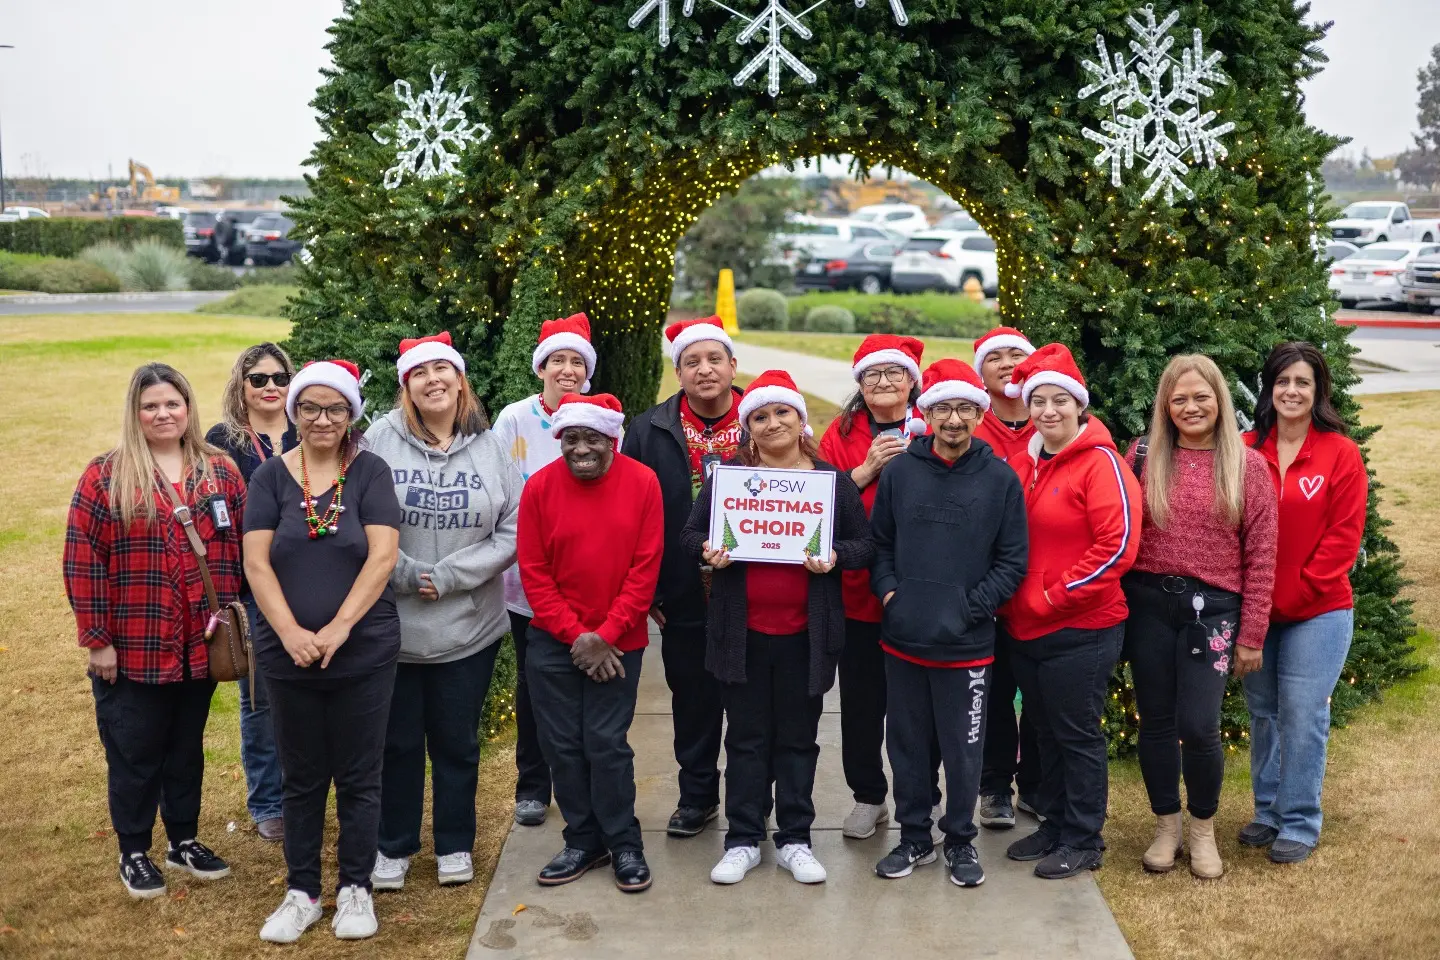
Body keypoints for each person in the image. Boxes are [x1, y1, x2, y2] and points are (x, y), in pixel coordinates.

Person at [682, 370, 876, 886]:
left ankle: (795, 838)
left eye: (781, 413)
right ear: (748, 428)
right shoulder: (730, 478)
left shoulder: (829, 482)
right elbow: (690, 535)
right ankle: (744, 839)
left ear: (800, 419)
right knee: (745, 739)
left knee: (797, 739)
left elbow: (866, 546)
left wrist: (834, 556)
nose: (772, 424)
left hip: (804, 638)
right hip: (740, 635)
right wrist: (708, 552)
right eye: (760, 417)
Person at [65, 363, 245, 899]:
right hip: (136, 646)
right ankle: (134, 849)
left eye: (172, 404)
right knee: (135, 751)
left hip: (202, 644)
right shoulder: (107, 475)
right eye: (150, 406)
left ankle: (183, 839)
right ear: (135, 413)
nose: (163, 414)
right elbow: (83, 560)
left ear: (188, 408)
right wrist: (98, 639)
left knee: (186, 748)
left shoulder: (220, 472)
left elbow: (239, 552)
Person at [244, 359, 402, 943]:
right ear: (294, 412)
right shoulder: (270, 479)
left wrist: (337, 628)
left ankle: (356, 889)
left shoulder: (371, 473)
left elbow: (382, 557)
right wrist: (288, 633)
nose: (322, 419)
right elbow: (256, 562)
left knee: (361, 774)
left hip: (362, 651)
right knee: (302, 776)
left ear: (351, 414)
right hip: (288, 655)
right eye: (309, 407)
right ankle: (303, 891)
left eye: (335, 408)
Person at [364, 332, 521, 891]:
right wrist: (405, 571)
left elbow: (513, 526)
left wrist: (451, 576)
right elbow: (358, 512)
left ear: (460, 381)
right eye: (420, 372)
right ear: (406, 384)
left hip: (468, 627)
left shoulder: (491, 444)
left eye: (443, 370)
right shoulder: (378, 439)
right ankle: (394, 845)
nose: (433, 380)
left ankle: (455, 844)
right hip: (393, 625)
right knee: (397, 742)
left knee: (457, 741)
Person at [869, 359, 1028, 887]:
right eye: (942, 408)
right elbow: (881, 544)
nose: (953, 419)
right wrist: (891, 594)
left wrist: (969, 609)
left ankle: (960, 840)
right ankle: (915, 837)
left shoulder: (1000, 480)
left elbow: (1012, 562)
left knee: (964, 753)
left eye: (964, 408)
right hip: (904, 639)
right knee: (908, 747)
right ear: (927, 414)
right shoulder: (900, 473)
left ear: (980, 414)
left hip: (967, 645)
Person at [1123, 355, 1276, 878]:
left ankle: (1203, 829)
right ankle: (1167, 826)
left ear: (1219, 400)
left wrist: (1252, 635)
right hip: (1147, 606)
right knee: (1157, 722)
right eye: (1180, 397)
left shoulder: (1247, 466)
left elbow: (1261, 555)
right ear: (1166, 404)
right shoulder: (1142, 458)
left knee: (1200, 725)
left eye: (1201, 396)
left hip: (1212, 613)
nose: (1191, 407)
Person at [999, 344, 1141, 880]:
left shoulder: (1101, 463)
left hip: (1082, 626)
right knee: (1042, 731)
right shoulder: (1021, 463)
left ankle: (1084, 839)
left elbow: (1118, 543)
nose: (1049, 411)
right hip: (1026, 626)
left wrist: (1055, 595)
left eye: (1061, 400)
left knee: (1076, 733)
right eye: (1038, 401)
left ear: (1080, 407)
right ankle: (1054, 824)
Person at [517, 393, 662, 893]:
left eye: (593, 439)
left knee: (605, 744)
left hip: (620, 640)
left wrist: (605, 635)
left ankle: (624, 842)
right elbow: (534, 573)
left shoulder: (643, 482)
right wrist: (578, 635)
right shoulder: (538, 487)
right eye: (571, 438)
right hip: (556, 641)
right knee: (562, 745)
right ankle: (583, 839)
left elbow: (646, 569)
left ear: (612, 440)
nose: (581, 449)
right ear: (558, 440)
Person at [1240, 341, 1367, 864]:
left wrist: (1300, 588)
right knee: (1263, 712)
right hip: (1254, 612)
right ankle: (1267, 811)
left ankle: (1299, 821)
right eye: (1283, 382)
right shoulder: (1245, 447)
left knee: (1302, 713)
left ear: (1318, 393)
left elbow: (1344, 535)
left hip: (1319, 610)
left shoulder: (1340, 453)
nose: (1291, 391)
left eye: (1302, 383)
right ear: (1270, 389)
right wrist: (1253, 601)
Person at [815, 334, 946, 841]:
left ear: (913, 379)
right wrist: (865, 470)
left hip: (921, 593)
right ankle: (868, 796)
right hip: (857, 595)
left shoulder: (935, 424)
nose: (884, 382)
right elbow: (817, 501)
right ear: (860, 386)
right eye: (873, 375)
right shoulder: (841, 433)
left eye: (895, 373)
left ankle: (925, 796)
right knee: (863, 706)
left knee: (920, 707)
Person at [620, 316, 741, 838]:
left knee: (751, 705)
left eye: (715, 359)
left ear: (733, 366)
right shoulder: (648, 429)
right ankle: (697, 797)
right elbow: (629, 516)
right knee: (692, 702)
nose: (705, 369)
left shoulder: (770, 418)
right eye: (692, 362)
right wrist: (648, 590)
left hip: (752, 595)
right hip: (681, 594)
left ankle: (749, 800)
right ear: (678, 371)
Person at [491, 312, 597, 828]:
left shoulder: (600, 418)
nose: (568, 370)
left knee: (590, 682)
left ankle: (589, 778)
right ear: (541, 369)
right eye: (558, 360)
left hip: (590, 579)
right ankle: (533, 784)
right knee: (535, 686)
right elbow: (497, 489)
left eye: (577, 361)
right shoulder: (514, 420)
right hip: (526, 583)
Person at [205, 342, 298, 844]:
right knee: (259, 699)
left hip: (310, 583)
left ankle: (306, 789)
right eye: (258, 378)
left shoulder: (309, 426)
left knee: (308, 694)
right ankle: (268, 802)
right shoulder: (224, 441)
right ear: (241, 384)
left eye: (279, 378)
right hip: (251, 587)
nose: (270, 388)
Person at [970, 326, 1043, 829]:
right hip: (986, 584)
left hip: (1042, 582)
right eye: (994, 357)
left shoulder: (1055, 420)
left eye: (1016, 354)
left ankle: (1035, 785)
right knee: (992, 692)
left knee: (1039, 689)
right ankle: (994, 785)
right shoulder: (971, 427)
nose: (1005, 363)